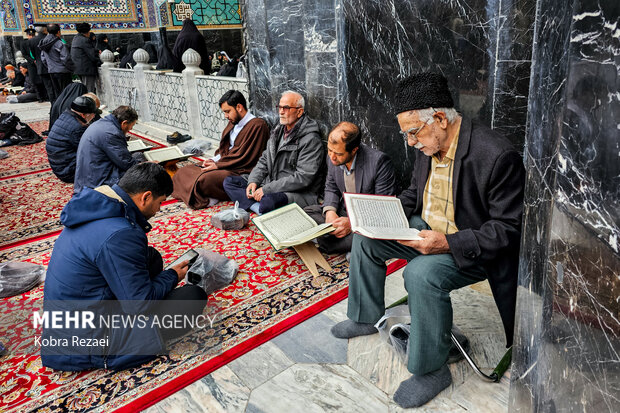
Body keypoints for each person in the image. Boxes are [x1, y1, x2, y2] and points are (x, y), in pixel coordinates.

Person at [330, 73, 525, 408]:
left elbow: (508, 230)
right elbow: (413, 193)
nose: (409, 142)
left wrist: (446, 244)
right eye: (406, 133)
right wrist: (379, 215)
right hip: (426, 227)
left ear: (438, 119)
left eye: (412, 132)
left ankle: (431, 369)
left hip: (467, 243)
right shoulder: (429, 142)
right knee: (366, 239)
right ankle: (364, 316)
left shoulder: (495, 155)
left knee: (421, 275)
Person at [42, 163, 208, 371]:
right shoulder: (120, 234)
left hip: (70, 320)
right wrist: (172, 276)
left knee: (151, 258)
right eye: (160, 203)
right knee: (193, 297)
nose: (158, 210)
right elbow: (140, 305)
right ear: (145, 197)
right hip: (89, 341)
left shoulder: (100, 207)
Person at [223, 91, 325, 215]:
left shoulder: (311, 139)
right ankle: (259, 208)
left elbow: (303, 178)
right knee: (230, 182)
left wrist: (266, 189)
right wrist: (253, 181)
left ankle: (259, 207)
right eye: (280, 107)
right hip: (272, 182)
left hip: (295, 192)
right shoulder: (278, 130)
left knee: (269, 202)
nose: (281, 111)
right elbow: (265, 159)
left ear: (299, 112)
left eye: (286, 108)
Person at [304, 121, 397, 254]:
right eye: (329, 150)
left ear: (354, 150)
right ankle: (336, 240)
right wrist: (330, 212)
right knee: (306, 212)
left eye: (339, 154)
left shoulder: (379, 162)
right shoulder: (332, 156)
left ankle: (327, 242)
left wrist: (352, 223)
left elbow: (382, 208)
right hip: (343, 211)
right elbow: (331, 187)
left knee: (363, 239)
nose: (332, 157)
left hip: (368, 220)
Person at [172, 90, 270, 208]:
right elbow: (225, 149)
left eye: (227, 111)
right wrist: (214, 160)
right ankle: (206, 193)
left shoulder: (257, 125)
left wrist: (218, 165)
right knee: (183, 171)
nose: (226, 116)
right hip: (226, 163)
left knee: (204, 180)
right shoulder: (233, 122)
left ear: (239, 107)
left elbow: (246, 157)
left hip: (240, 169)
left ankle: (208, 197)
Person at [74, 105, 141, 194]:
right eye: (130, 126)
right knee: (142, 171)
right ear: (124, 123)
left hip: (87, 177)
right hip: (98, 183)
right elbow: (126, 163)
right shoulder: (111, 133)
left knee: (138, 157)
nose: (130, 129)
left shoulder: (103, 123)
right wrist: (145, 165)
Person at [46, 96, 98, 183]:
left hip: (60, 167)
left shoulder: (66, 114)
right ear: (83, 115)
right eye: (93, 114)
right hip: (69, 173)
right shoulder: (77, 128)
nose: (94, 116)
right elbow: (91, 150)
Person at [38, 24, 72, 101]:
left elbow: (43, 58)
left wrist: (50, 66)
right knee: (66, 92)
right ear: (58, 32)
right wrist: (71, 68)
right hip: (63, 71)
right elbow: (65, 58)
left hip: (52, 71)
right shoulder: (59, 43)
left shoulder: (43, 43)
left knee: (58, 93)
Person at [71, 22, 100, 93]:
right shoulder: (84, 40)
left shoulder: (76, 38)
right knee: (89, 90)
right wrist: (99, 61)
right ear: (87, 32)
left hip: (78, 68)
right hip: (86, 69)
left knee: (85, 88)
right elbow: (92, 55)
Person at [30, 23, 52, 103]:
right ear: (45, 29)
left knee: (48, 87)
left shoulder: (31, 41)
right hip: (51, 66)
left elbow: (32, 55)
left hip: (40, 67)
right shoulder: (49, 38)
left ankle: (51, 101)